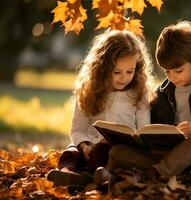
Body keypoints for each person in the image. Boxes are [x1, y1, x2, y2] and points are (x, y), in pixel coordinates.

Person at [97, 20, 191, 182]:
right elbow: (153, 130)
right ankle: (169, 174)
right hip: (169, 156)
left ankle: (151, 174)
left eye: (178, 70)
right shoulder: (162, 92)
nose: (172, 77)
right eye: (167, 71)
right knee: (118, 151)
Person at [47, 29, 153, 186]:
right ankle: (67, 174)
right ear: (102, 67)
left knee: (104, 152)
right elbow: (77, 129)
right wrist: (84, 146)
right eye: (117, 72)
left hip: (120, 149)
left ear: (137, 67)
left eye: (130, 71)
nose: (124, 77)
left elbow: (144, 129)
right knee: (70, 153)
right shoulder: (89, 90)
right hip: (89, 146)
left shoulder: (139, 93)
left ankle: (95, 177)